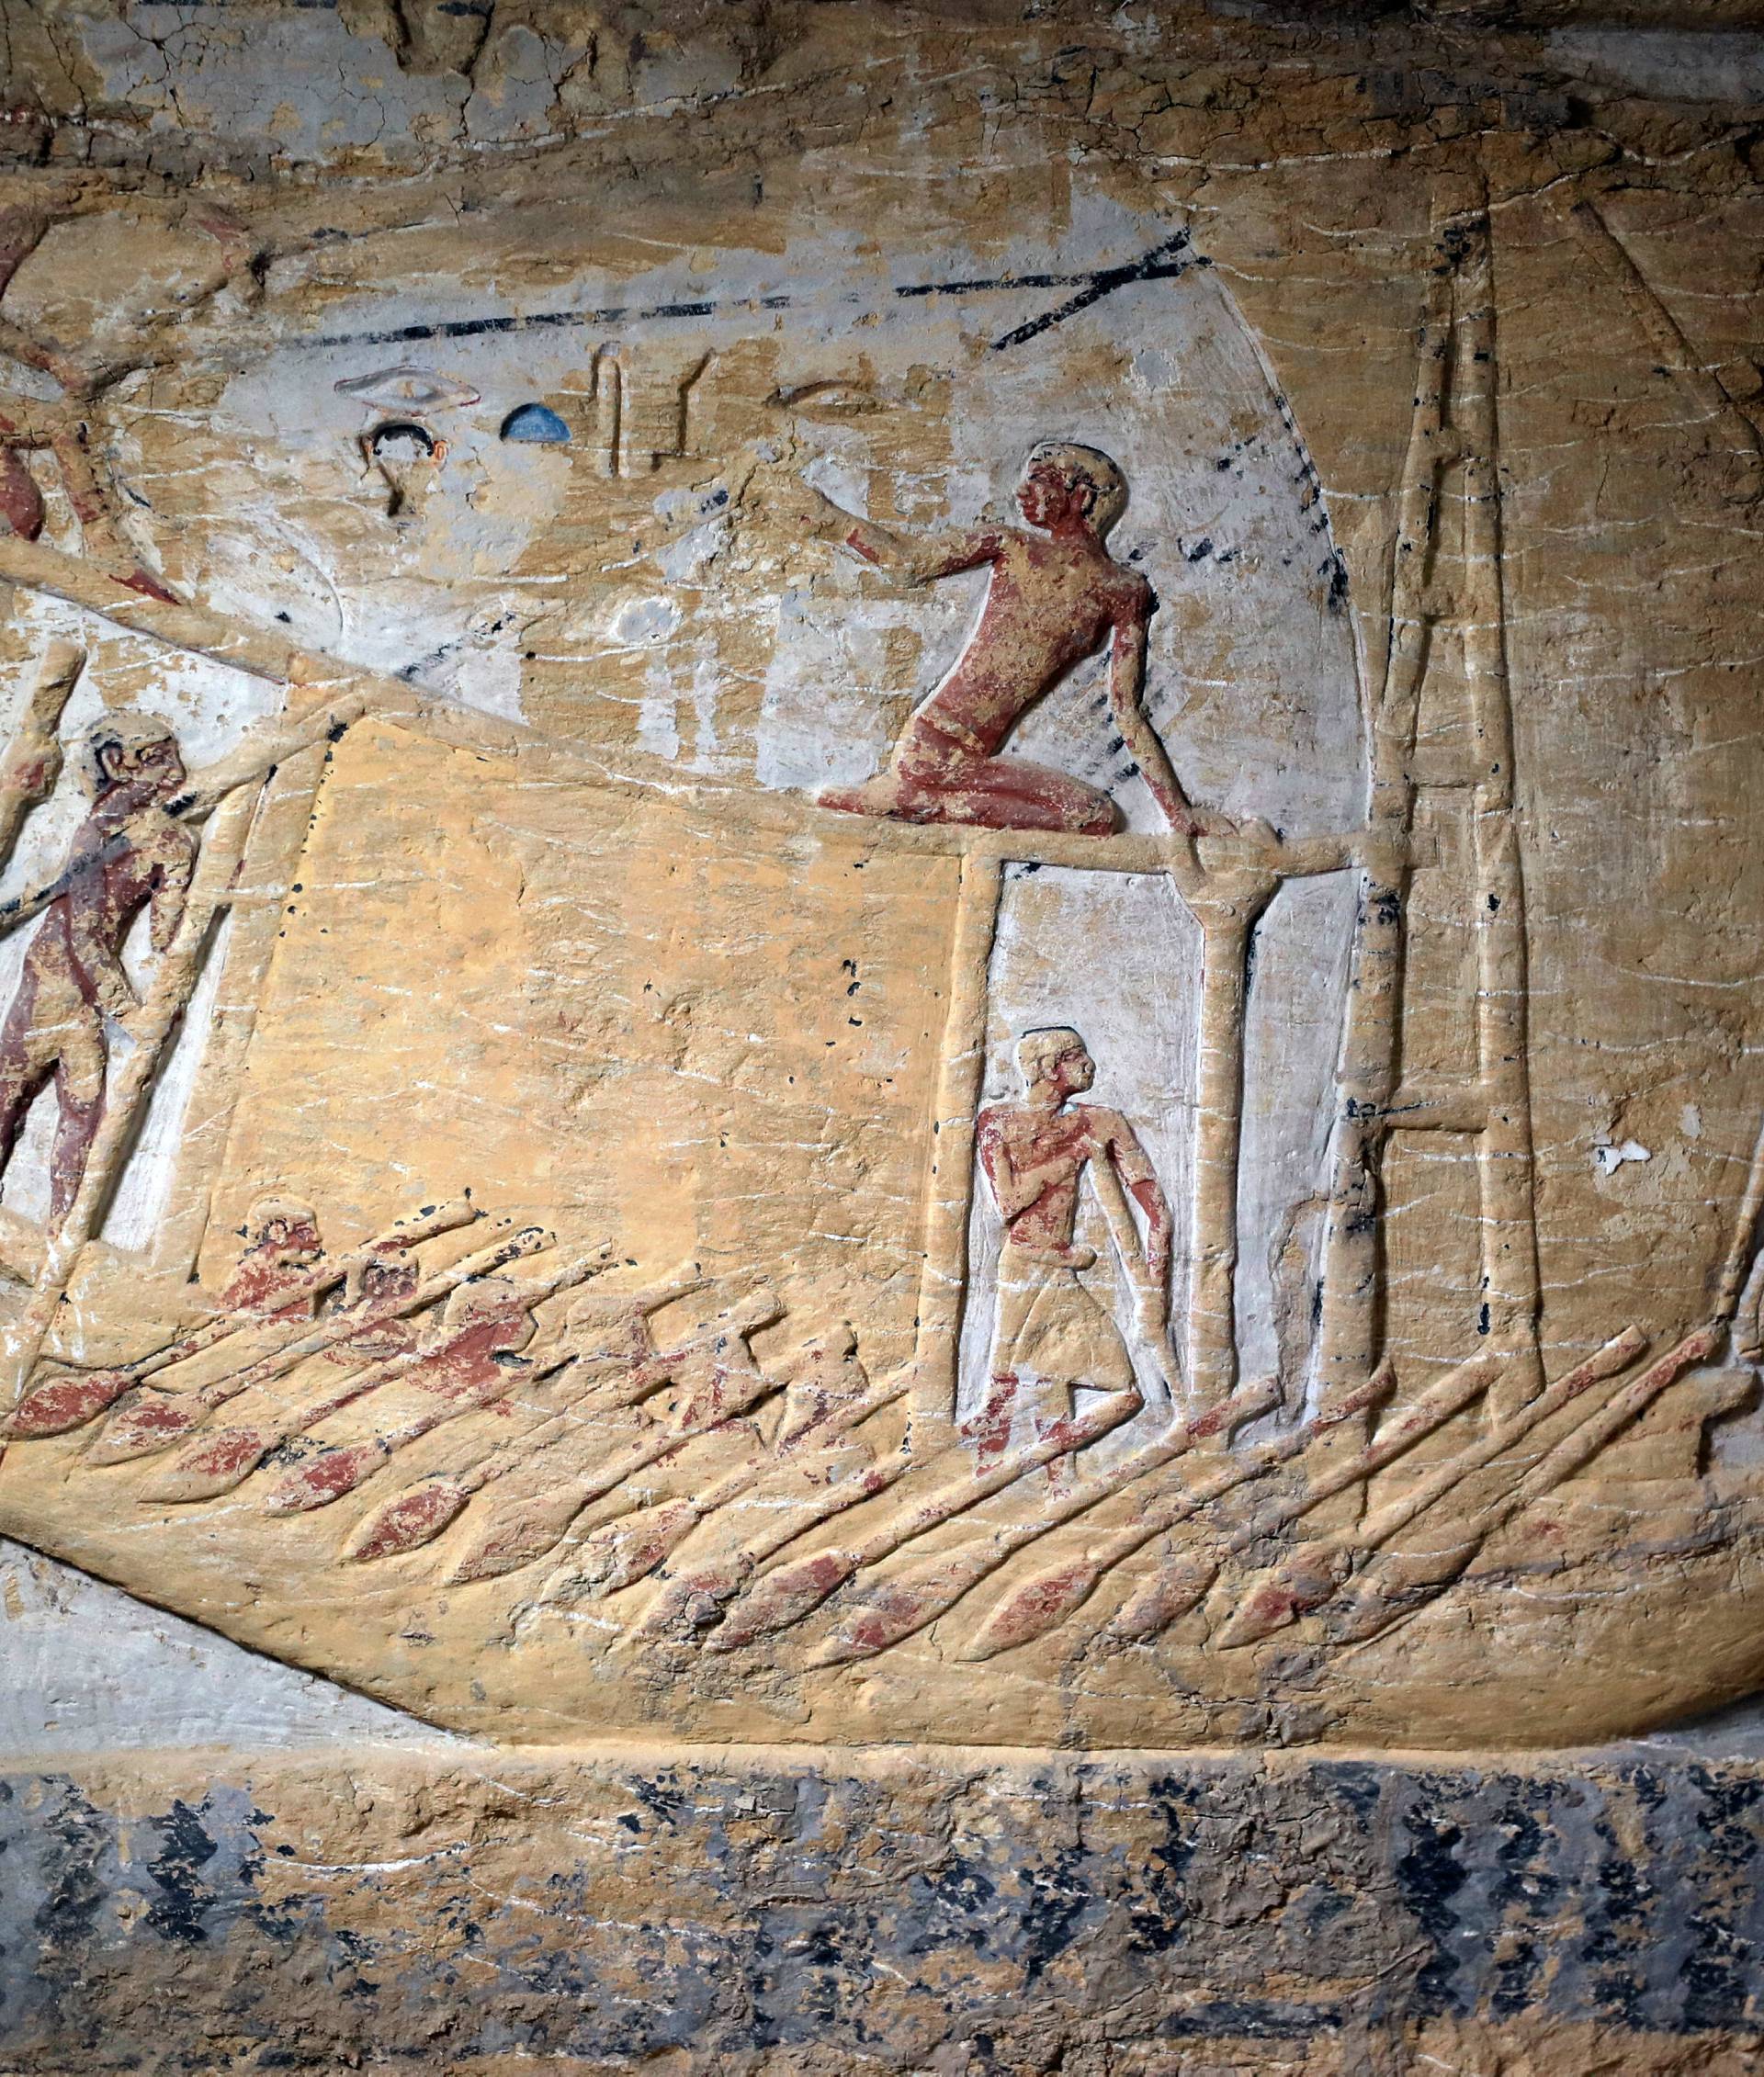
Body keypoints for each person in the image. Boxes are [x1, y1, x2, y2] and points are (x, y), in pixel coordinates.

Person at [808, 441, 1218, 838]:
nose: (1023, 490)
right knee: (1092, 816)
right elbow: (908, 563)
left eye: (1041, 479)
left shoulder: (1124, 591)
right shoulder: (1012, 545)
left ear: (1081, 497)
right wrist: (833, 520)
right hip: (934, 743)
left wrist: (1177, 810)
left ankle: (908, 800)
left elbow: (1128, 710)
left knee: (1094, 816)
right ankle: (906, 798)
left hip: (972, 761)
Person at [0, 711, 194, 1218]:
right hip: (52, 993)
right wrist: (132, 1014)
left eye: (174, 758)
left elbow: (166, 939)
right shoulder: (98, 831)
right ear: (117, 763)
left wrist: (202, 895)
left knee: (81, 1122)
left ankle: (60, 1245)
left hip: (78, 999)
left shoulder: (170, 841)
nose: (176, 773)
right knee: (29, 1108)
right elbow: (83, 931)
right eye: (158, 759)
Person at [968, 1026, 1170, 1473]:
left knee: (1052, 1375)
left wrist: (1155, 1272)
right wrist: (1069, 1157)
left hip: (1059, 1266)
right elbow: (1009, 1203)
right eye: (1076, 1055)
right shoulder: (998, 1122)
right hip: (1027, 1263)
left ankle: (1054, 1478)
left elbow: (1150, 1200)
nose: (1088, 1064)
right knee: (1018, 1387)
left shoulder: (1100, 1121)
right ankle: (1014, 1470)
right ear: (1047, 1068)